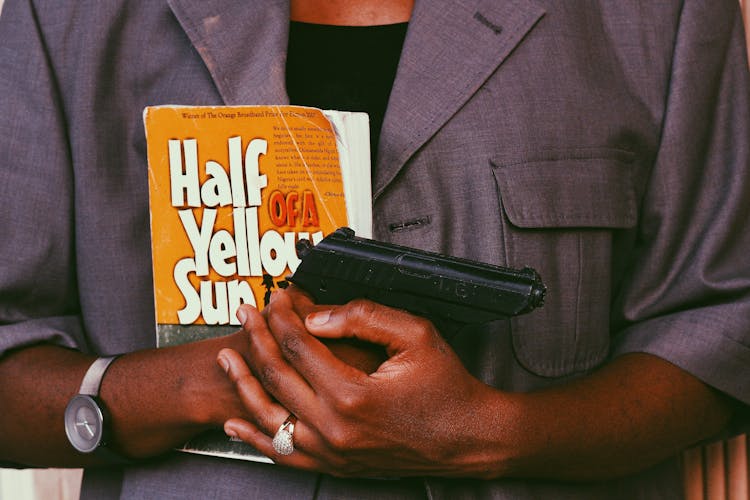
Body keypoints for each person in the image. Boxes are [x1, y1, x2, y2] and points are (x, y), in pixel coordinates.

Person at [0, 0, 748, 498]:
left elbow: (721, 335)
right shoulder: (66, 15)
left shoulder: (654, 15)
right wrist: (220, 380)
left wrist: (482, 435)